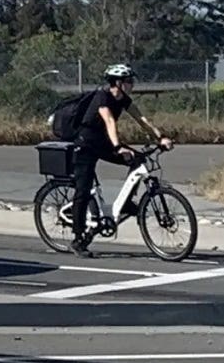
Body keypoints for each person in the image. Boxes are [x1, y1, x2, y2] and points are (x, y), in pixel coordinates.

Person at [69, 64, 174, 257]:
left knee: (137, 159)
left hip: (103, 142)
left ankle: (126, 203)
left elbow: (141, 119)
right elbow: (110, 121)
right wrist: (119, 147)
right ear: (117, 83)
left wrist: (160, 137)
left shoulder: (123, 99)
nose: (132, 84)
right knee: (83, 190)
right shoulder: (103, 97)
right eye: (128, 81)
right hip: (86, 144)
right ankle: (78, 239)